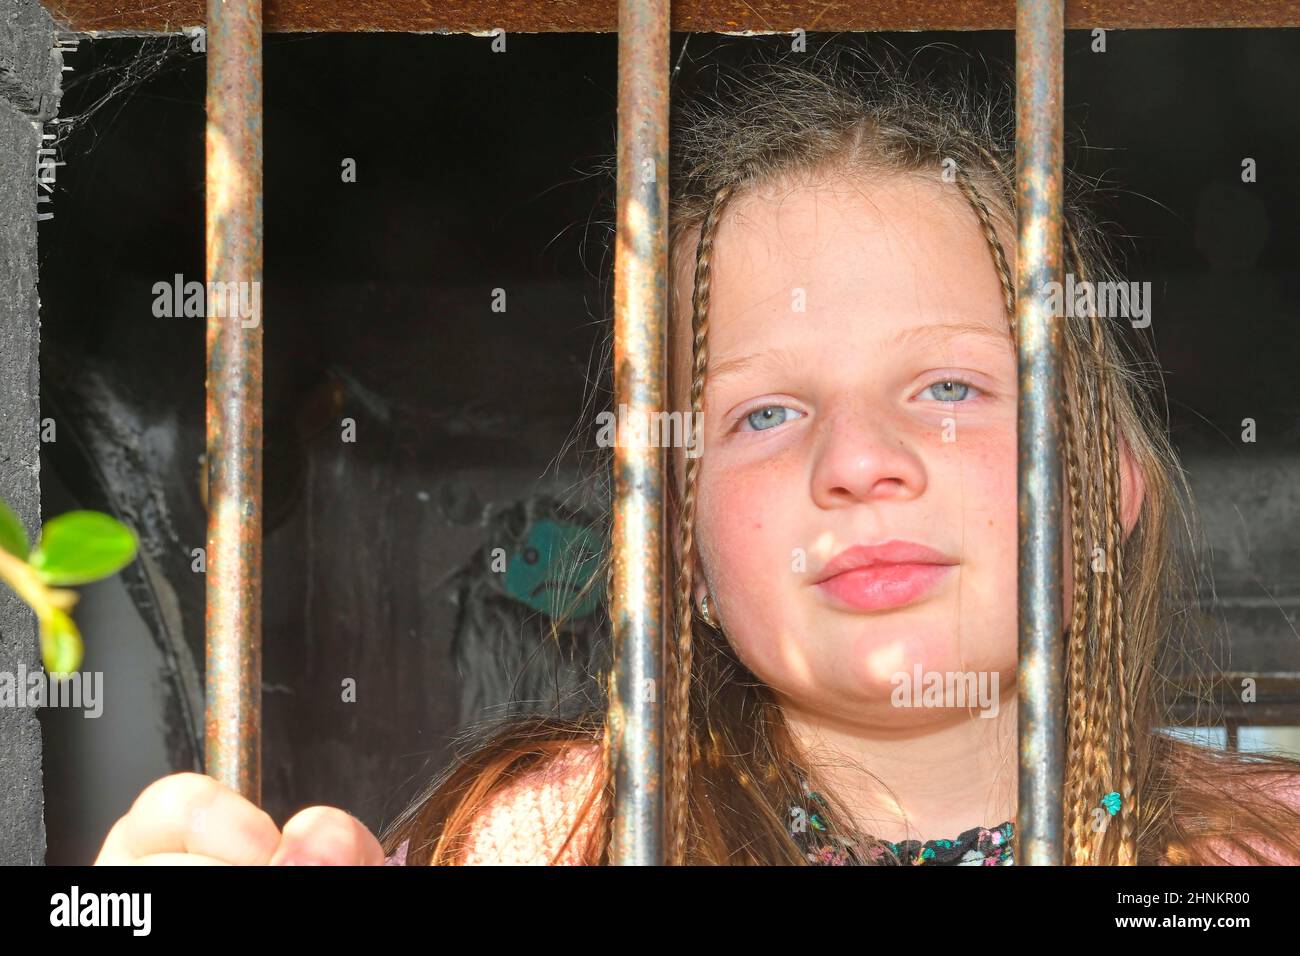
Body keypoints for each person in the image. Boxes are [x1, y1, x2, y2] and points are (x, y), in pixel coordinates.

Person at [94, 45, 1300, 867]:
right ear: (678, 539)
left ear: (1109, 485)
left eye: (947, 385)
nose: (860, 459)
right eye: (763, 413)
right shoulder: (549, 839)